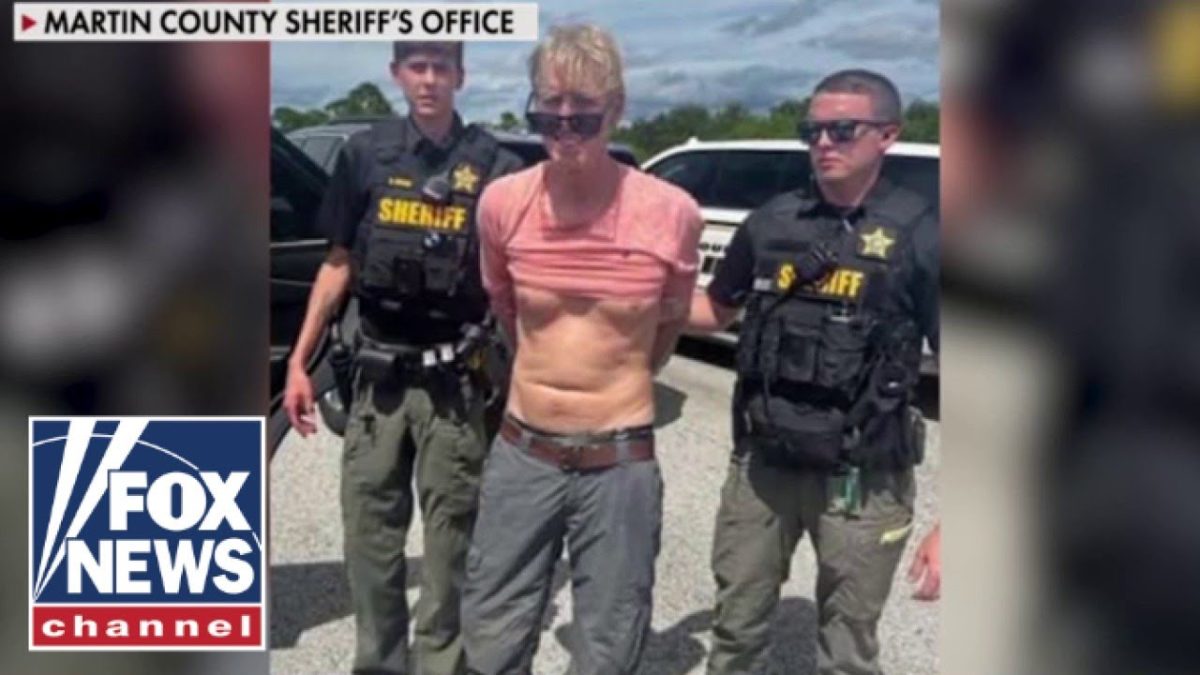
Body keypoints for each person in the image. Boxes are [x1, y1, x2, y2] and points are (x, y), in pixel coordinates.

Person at [460, 24, 704, 675]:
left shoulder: (672, 212)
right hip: (522, 448)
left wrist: (618, 377)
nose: (565, 127)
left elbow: (668, 323)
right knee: (490, 627)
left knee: (609, 639)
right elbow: (506, 309)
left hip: (619, 458)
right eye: (549, 110)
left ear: (615, 109)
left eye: (584, 112)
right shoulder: (503, 203)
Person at [687, 69, 939, 675]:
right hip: (763, 465)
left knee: (847, 649)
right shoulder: (771, 222)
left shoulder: (924, 233)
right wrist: (631, 294)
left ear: (887, 135)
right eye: (813, 130)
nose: (823, 142)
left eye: (842, 130)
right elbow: (713, 310)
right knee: (736, 630)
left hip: (863, 476)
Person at [281, 41, 521, 675]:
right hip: (378, 385)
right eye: (417, 67)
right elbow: (338, 264)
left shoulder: (495, 166)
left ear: (461, 75)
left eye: (442, 67)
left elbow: (511, 282)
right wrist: (299, 362)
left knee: (450, 547)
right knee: (370, 543)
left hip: (455, 388)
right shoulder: (365, 155)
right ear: (397, 73)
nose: (430, 79)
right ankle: (380, 664)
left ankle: (440, 664)